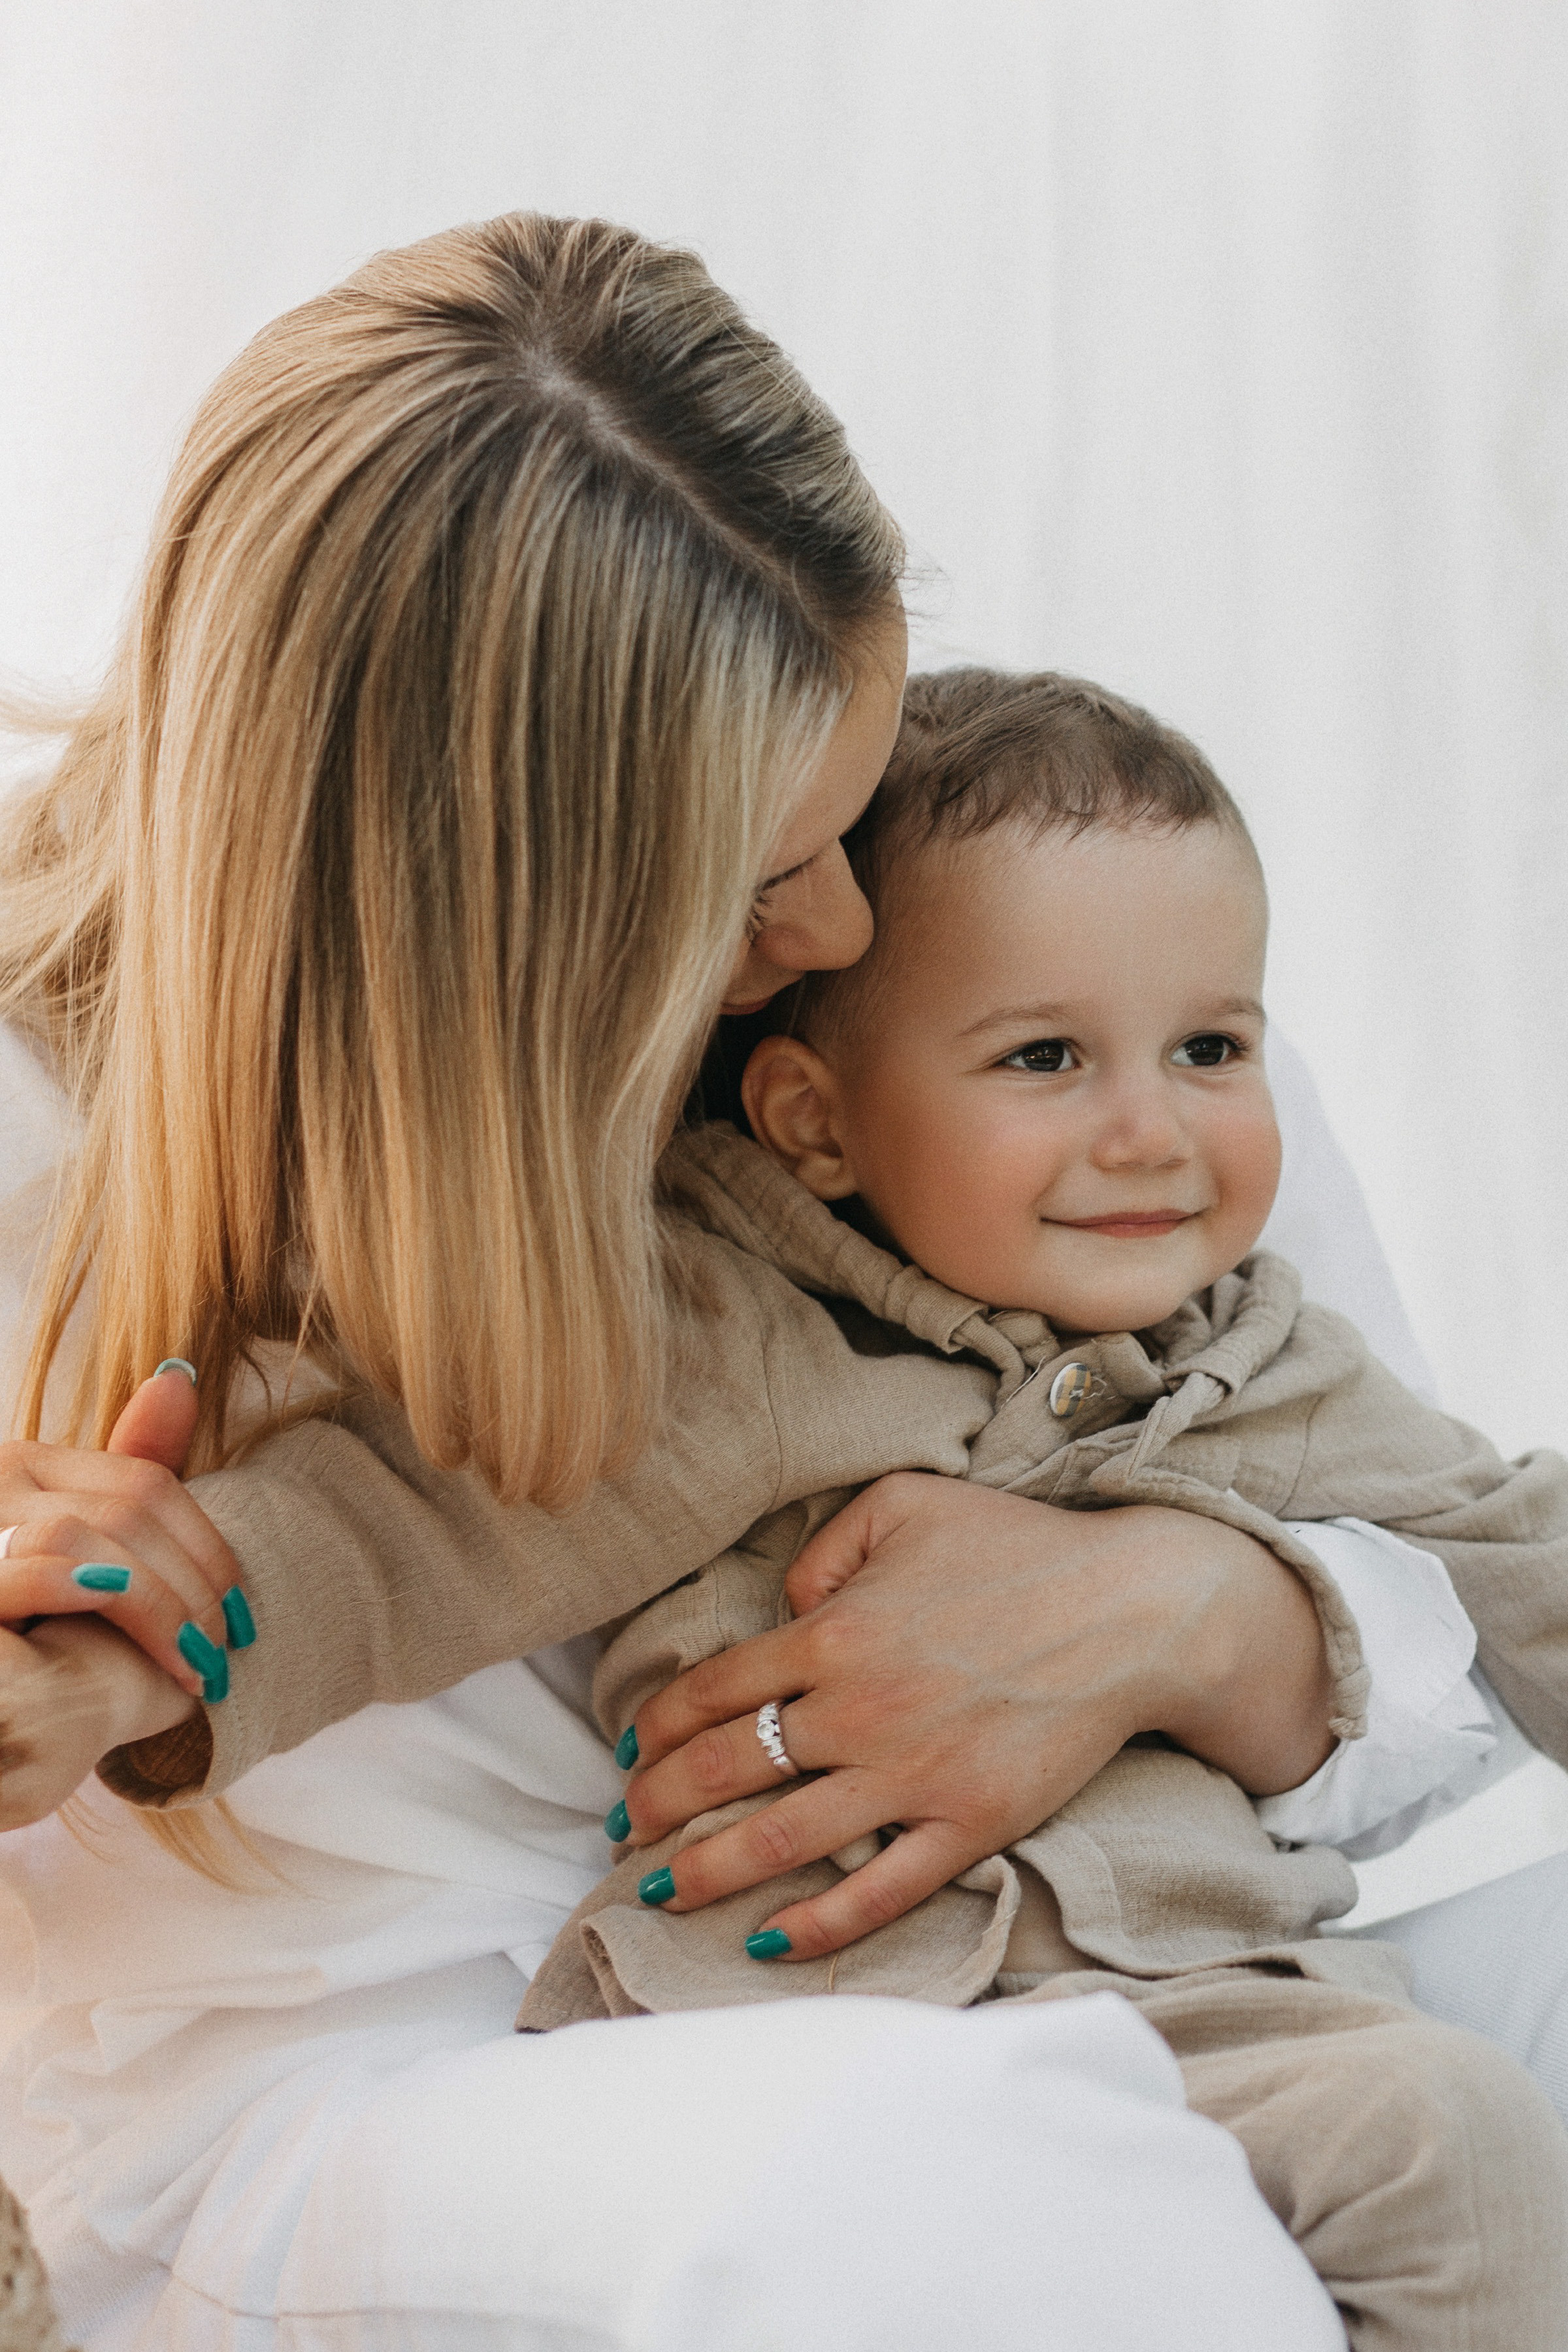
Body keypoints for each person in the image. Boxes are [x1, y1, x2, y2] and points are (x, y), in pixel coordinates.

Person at [0, 214, 1516, 2349]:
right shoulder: (33, 1151)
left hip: (1135, 1939)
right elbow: (384, 1540)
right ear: (480, 914)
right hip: (382, 2095)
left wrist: (1193, 1617)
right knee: (1002, 2220)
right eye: (745, 882)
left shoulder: (990, 980)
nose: (835, 924)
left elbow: (1446, 1599)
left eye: (849, 801)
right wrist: (77, 1665)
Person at [516, 667, 1568, 2347]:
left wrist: (1216, 1616)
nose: (1153, 1131)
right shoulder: (728, 1336)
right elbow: (402, 1531)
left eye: (1214, 1047)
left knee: (1452, 2135)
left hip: (1196, 2003)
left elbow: (1521, 1550)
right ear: (814, 1120)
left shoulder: (1260, 1353)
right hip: (798, 2008)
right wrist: (161, 1667)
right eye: (1048, 1056)